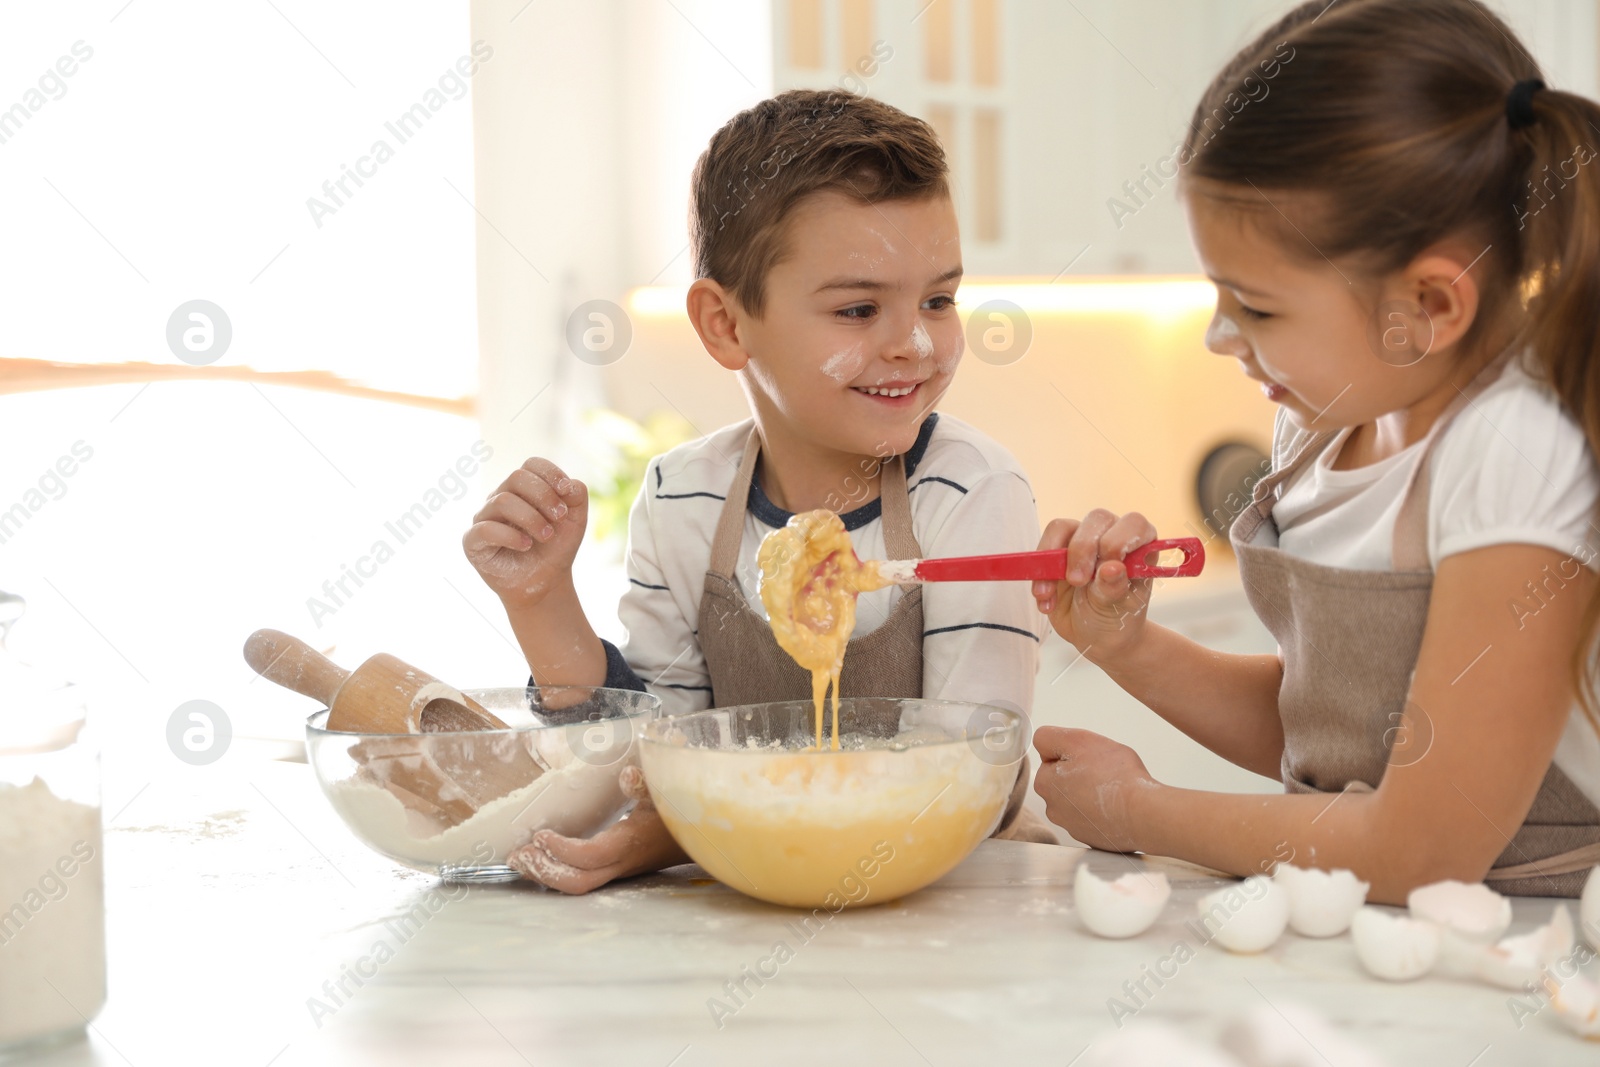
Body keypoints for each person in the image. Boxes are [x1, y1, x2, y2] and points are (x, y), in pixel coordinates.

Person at [1031, 0, 1600, 903]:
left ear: (1430, 307)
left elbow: (1416, 848)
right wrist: (1128, 646)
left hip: (1530, 953)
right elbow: (1339, 734)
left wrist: (1137, 810)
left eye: (1256, 305)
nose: (1221, 335)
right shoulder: (1324, 425)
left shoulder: (1513, 455)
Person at [466, 89, 1055, 893]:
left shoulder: (971, 491)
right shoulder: (683, 497)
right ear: (726, 324)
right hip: (752, 892)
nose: (914, 343)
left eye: (939, 300)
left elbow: (975, 773)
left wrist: (672, 832)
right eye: (857, 308)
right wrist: (541, 603)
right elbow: (649, 755)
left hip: (952, 900)